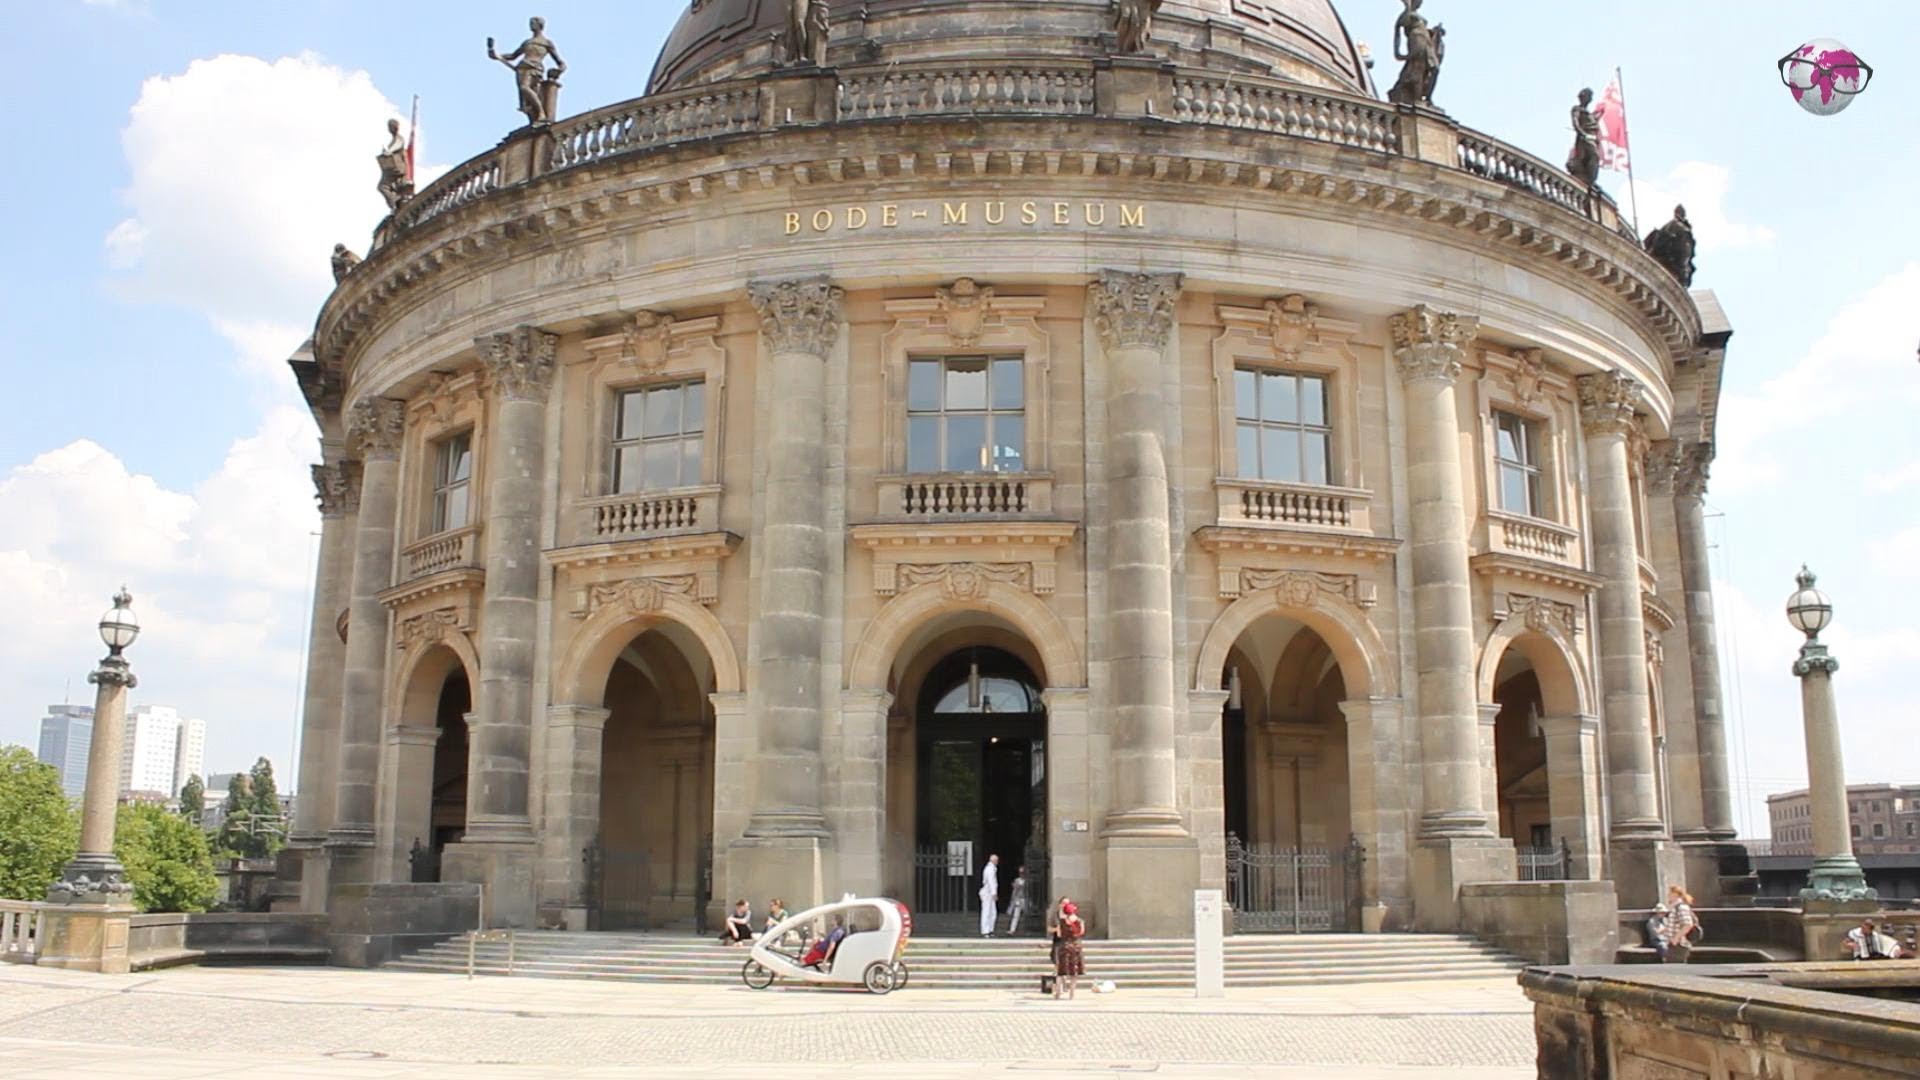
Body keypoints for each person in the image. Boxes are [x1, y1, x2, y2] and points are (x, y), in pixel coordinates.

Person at [1054, 900, 1086, 1000]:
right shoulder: (1080, 921)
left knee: (1060, 972)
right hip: (1076, 947)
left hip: (1064, 946)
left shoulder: (1061, 922)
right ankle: (1072, 994)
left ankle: (1058, 993)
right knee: (1074, 972)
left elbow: (1059, 934)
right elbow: (1081, 932)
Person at [1663, 885, 1698, 962]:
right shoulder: (1675, 908)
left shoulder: (1681, 907)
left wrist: (1676, 938)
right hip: (1673, 944)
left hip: (1679, 945)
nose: (1668, 896)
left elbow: (1687, 924)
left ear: (1675, 894)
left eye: (1669, 894)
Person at [979, 853, 1000, 937]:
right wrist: (994, 893)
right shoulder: (990, 869)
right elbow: (991, 882)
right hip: (988, 893)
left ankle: (990, 930)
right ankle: (986, 931)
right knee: (987, 911)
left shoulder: (991, 868)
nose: (997, 862)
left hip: (989, 892)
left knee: (992, 912)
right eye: (997, 860)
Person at [1007, 866, 1030, 935]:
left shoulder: (1028, 881)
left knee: (1027, 916)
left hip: (1025, 899)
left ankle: (1028, 930)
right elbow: (1014, 891)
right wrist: (1013, 899)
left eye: (1023, 873)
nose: (1021, 874)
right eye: (1020, 873)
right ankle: (1012, 930)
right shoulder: (1017, 880)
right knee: (1016, 915)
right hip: (1018, 899)